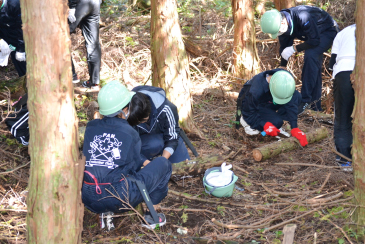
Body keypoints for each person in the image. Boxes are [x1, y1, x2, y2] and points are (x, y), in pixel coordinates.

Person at [82, 81, 172, 231]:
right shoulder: (130, 133)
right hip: (119, 198)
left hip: (89, 197)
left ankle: (104, 213)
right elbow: (133, 169)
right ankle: (152, 215)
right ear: (125, 109)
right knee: (163, 164)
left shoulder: (90, 128)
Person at [260, 6, 338, 113]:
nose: (279, 34)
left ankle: (305, 100)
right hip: (313, 35)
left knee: (311, 54)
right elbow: (284, 48)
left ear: (283, 23)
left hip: (327, 30)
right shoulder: (281, 25)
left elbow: (314, 41)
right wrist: (282, 67)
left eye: (278, 31)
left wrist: (294, 48)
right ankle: (315, 107)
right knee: (313, 66)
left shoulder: (302, 17)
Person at [237, 69, 308, 147]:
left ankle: (272, 122)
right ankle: (246, 121)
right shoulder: (255, 91)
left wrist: (294, 127)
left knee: (296, 96)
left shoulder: (286, 78)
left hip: (268, 101)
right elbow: (249, 112)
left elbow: (292, 103)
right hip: (252, 106)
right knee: (276, 122)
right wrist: (264, 125)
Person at [127, 85, 191, 164]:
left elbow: (172, 137)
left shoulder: (166, 108)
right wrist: (145, 162)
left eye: (143, 120)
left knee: (182, 166)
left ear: (149, 112)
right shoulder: (127, 112)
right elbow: (129, 145)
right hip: (144, 142)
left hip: (167, 137)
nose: (141, 123)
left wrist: (162, 161)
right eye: (138, 122)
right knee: (153, 144)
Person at [328, 24, 356, 171]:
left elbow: (331, 64)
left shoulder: (343, 32)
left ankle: (344, 159)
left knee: (343, 116)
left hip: (343, 72)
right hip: (360, 69)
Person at [68, 0, 101, 90]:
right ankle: (94, 82)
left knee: (61, 35)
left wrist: (72, 7)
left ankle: (72, 75)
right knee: (93, 43)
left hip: (80, 3)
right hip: (95, 3)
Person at [0, 0, 26, 77]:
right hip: (8, 40)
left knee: (27, 64)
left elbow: (22, 26)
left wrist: (21, 49)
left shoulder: (14, 4)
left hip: (23, 39)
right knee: (21, 68)